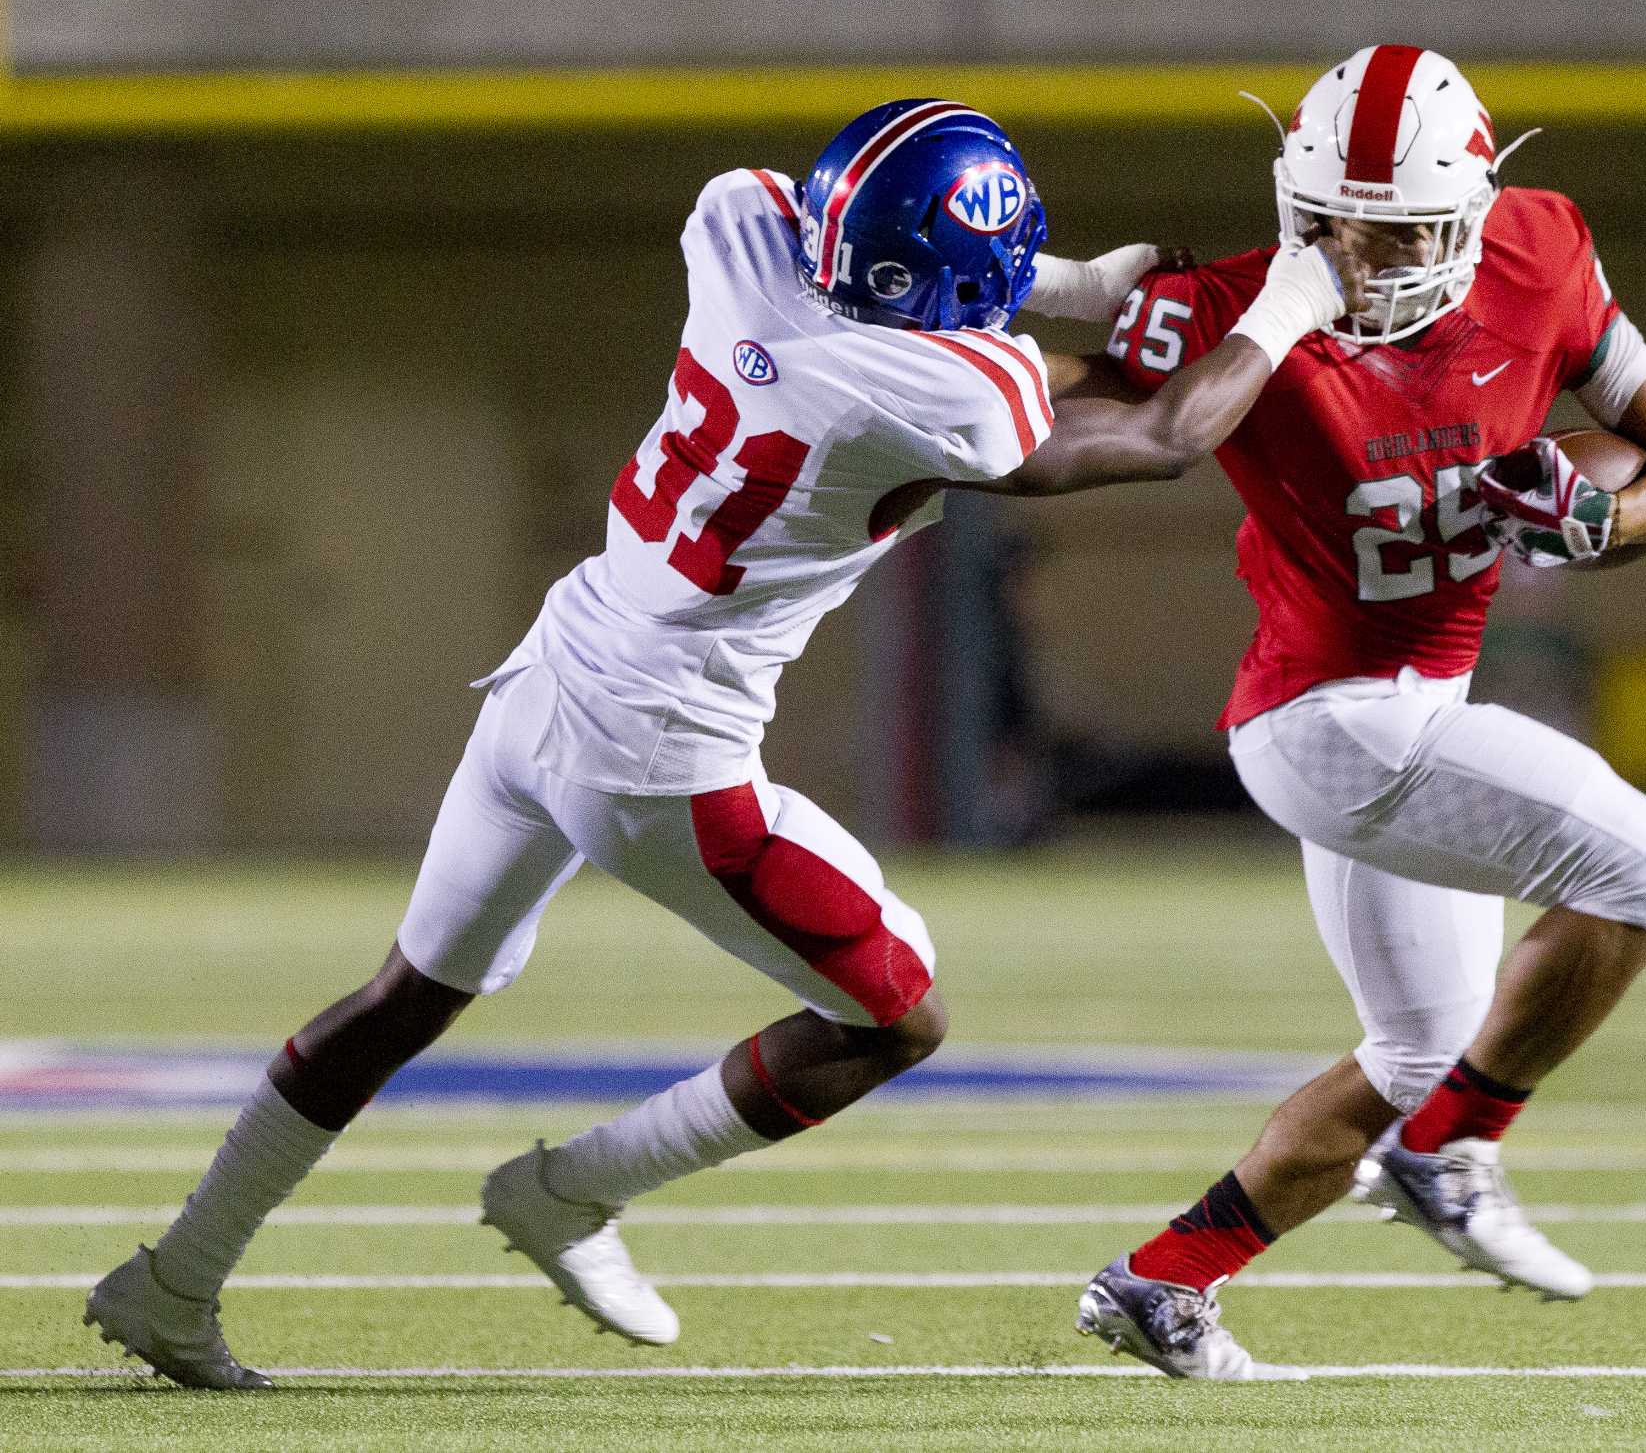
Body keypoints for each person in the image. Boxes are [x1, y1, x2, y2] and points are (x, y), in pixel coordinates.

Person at [83, 98, 1366, 1390]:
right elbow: (1157, 433)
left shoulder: (740, 226)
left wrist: (1076, 282)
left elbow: (862, 244)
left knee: (403, 997)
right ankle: (574, 1188)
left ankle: (177, 1278)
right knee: (894, 1013)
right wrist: (1286, 303)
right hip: (660, 754)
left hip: (552, 673)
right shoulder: (934, 393)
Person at [1068, 45, 1646, 1380]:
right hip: (1329, 717)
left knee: (1416, 1048)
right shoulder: (1235, 310)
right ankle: (1455, 1151)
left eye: (1395, 231)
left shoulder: (1540, 249)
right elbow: (1065, 408)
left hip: (1409, 702)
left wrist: (1613, 513)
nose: (1357, 254)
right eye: (1333, 219)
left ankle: (1166, 1278)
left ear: (1469, 213)